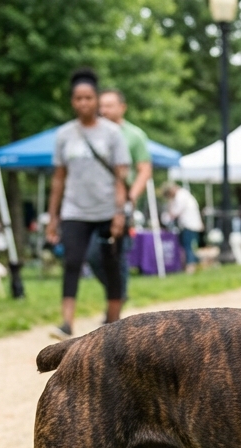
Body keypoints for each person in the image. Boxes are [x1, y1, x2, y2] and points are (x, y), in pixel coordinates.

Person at [46, 67, 130, 338]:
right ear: (73, 101)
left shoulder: (112, 134)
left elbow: (120, 178)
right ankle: (66, 322)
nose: (83, 103)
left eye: (88, 98)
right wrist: (53, 216)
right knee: (72, 261)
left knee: (110, 262)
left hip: (107, 208)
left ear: (96, 100)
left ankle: (113, 322)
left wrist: (119, 212)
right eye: (78, 98)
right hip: (74, 209)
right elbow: (58, 179)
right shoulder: (64, 135)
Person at [97, 88, 153, 297]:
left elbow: (144, 170)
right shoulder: (92, 133)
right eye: (101, 105)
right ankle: (117, 293)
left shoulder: (134, 135)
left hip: (120, 201)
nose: (103, 110)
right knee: (94, 255)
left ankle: (117, 298)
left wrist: (131, 198)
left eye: (109, 106)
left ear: (122, 108)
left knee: (117, 253)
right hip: (95, 201)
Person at [162, 182, 204, 273]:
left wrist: (170, 205)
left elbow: (174, 213)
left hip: (189, 225)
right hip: (191, 224)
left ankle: (191, 266)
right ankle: (197, 262)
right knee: (189, 246)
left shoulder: (180, 196)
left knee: (187, 246)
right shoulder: (184, 194)